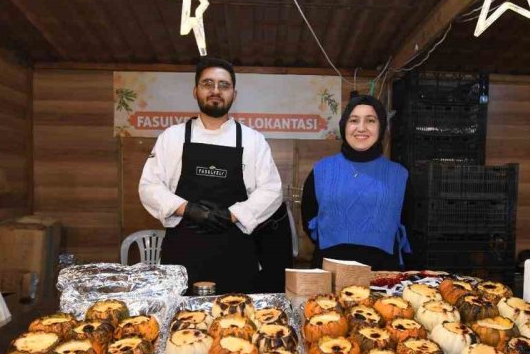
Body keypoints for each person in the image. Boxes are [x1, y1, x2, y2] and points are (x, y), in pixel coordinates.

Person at [139, 57, 282, 293]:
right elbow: (149, 186)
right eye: (208, 83)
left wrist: (232, 215)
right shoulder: (172, 137)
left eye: (224, 85)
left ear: (234, 94)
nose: (216, 90)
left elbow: (272, 190)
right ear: (195, 91)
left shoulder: (253, 140)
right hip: (181, 258)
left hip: (236, 258)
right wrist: (189, 210)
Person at [301, 94, 411, 270]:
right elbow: (309, 219)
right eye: (354, 120)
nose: (361, 128)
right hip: (330, 273)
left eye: (370, 121)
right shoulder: (321, 170)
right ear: (344, 126)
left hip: (383, 276)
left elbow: (408, 223)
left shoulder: (399, 175)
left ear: (381, 127)